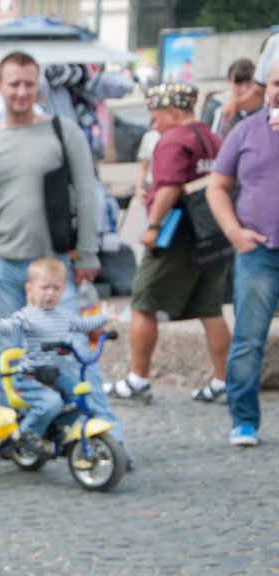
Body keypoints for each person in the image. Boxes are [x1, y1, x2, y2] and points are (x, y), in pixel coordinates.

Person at [0, 50, 123, 445]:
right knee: (9, 355)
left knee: (74, 352)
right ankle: (22, 437)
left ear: (39, 86)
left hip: (53, 268)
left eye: (28, 84)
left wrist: (88, 254)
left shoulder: (63, 131)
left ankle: (106, 437)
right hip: (1, 267)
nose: (21, 92)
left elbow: (87, 195)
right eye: (13, 84)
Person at [105, 83, 230, 405]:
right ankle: (223, 382)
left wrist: (153, 225)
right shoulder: (212, 137)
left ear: (173, 113)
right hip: (211, 233)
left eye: (156, 116)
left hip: (176, 236)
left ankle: (138, 380)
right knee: (210, 309)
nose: (153, 124)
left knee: (143, 302)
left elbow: (170, 188)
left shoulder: (173, 139)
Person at [0, 257, 111, 453]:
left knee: (82, 396)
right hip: (30, 377)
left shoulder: (63, 316)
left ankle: (58, 430)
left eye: (56, 288)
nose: (50, 293)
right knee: (52, 403)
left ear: (63, 290)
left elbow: (82, 325)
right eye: (44, 287)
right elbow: (6, 326)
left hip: (55, 374)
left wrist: (104, 318)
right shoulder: (27, 315)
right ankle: (25, 433)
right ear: (30, 289)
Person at [206, 60, 279, 447]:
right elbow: (216, 186)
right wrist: (234, 232)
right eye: (276, 83)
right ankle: (244, 420)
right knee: (249, 338)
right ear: (264, 87)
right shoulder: (246, 130)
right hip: (259, 251)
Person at [201, 59, 261, 139]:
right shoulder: (216, 104)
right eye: (238, 83)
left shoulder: (259, 106)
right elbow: (203, 136)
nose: (244, 89)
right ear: (228, 81)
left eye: (249, 83)